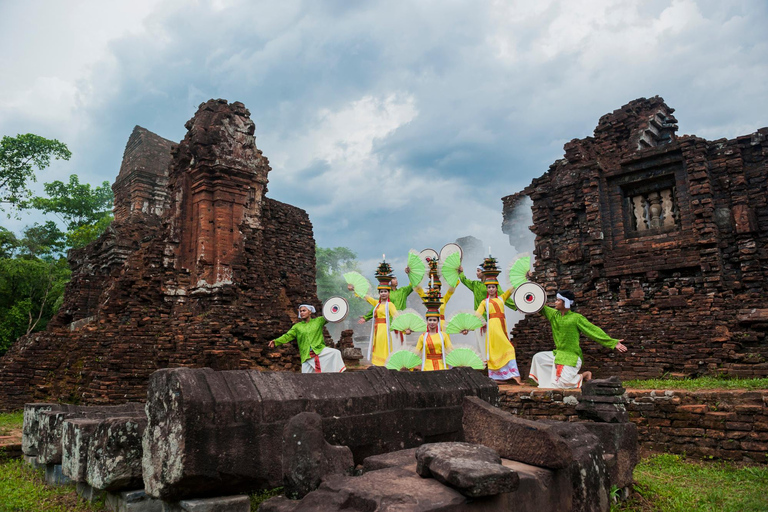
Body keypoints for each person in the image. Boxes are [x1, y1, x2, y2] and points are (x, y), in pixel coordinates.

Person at [527, 290, 627, 388]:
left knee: (564, 384)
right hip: (558, 354)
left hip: (572, 356)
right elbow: (537, 306)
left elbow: (593, 330)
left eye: (558, 300)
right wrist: (516, 298)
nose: (555, 302)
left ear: (565, 302)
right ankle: (553, 380)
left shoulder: (576, 318)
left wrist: (612, 342)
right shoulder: (553, 315)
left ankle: (584, 375)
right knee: (538, 357)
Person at [474, 257, 520, 383]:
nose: (491, 289)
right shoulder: (485, 302)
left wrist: (522, 277)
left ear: (496, 288)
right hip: (493, 329)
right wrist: (473, 325)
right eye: (489, 288)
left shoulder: (501, 298)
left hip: (502, 327)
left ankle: (512, 375)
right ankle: (496, 376)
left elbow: (511, 289)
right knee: (495, 351)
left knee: (508, 349)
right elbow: (477, 314)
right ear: (487, 289)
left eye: (493, 287)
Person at [349, 259, 399, 366]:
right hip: (377, 328)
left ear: (388, 293)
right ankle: (377, 364)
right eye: (381, 292)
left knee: (384, 345)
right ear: (379, 293)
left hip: (385, 329)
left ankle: (385, 364)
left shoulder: (390, 305)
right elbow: (366, 297)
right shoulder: (377, 304)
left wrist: (401, 327)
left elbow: (396, 316)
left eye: (385, 291)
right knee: (377, 345)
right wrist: (354, 290)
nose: (383, 293)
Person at [269, 304, 346, 373]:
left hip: (319, 350)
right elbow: (287, 336)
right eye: (300, 311)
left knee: (336, 353)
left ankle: (336, 376)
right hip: (306, 355)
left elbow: (331, 315)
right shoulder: (297, 327)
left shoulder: (318, 321)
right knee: (306, 377)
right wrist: (276, 341)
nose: (301, 312)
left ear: (310, 312)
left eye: (304, 310)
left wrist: (340, 304)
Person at [359, 275, 414, 345]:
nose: (396, 280)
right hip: (388, 323)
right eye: (393, 278)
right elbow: (378, 306)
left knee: (401, 346)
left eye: (396, 278)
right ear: (389, 281)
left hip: (401, 322)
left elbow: (413, 284)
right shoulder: (386, 294)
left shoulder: (403, 291)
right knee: (390, 345)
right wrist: (367, 317)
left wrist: (410, 274)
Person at [415, 287, 453, 371]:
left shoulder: (444, 335)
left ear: (438, 321)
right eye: (430, 320)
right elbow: (416, 352)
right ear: (427, 321)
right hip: (427, 366)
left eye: (434, 320)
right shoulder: (423, 336)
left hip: (441, 365)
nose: (432, 322)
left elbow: (450, 351)